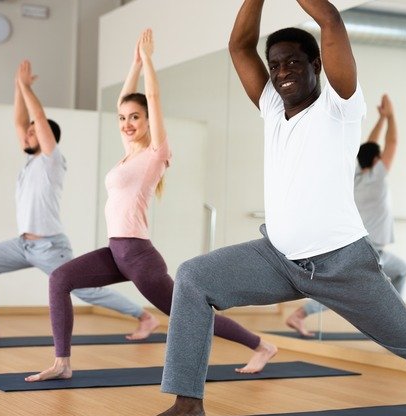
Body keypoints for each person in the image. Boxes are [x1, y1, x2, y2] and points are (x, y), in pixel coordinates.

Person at [137, 1, 406, 416]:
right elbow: (239, 45)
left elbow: (330, 20)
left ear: (317, 64)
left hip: (342, 264)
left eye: (293, 61)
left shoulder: (339, 106)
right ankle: (188, 402)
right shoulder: (272, 108)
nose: (283, 70)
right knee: (194, 276)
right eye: (275, 64)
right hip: (278, 258)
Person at [25, 29, 277, 382]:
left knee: (189, 312)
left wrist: (147, 63)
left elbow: (153, 96)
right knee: (60, 279)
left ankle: (261, 345)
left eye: (135, 117)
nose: (127, 124)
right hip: (116, 252)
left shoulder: (156, 153)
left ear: (148, 121)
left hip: (139, 256)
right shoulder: (128, 155)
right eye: (123, 118)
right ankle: (62, 362)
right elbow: (121, 102)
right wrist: (132, 65)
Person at [0, 60, 159, 342]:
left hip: (49, 246)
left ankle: (144, 317)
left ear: (46, 137)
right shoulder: (30, 162)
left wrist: (29, 90)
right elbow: (20, 122)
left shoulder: (51, 161)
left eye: (33, 133)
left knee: (85, 290)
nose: (26, 135)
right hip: (22, 244)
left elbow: (37, 119)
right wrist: (18, 86)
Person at [286, 93, 406, 337]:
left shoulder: (356, 176)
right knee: (351, 291)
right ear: (376, 160)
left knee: (400, 270)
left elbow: (369, 147)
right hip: (372, 248)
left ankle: (396, 320)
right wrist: (391, 116)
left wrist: (381, 119)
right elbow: (391, 144)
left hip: (368, 246)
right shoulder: (377, 177)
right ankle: (301, 314)